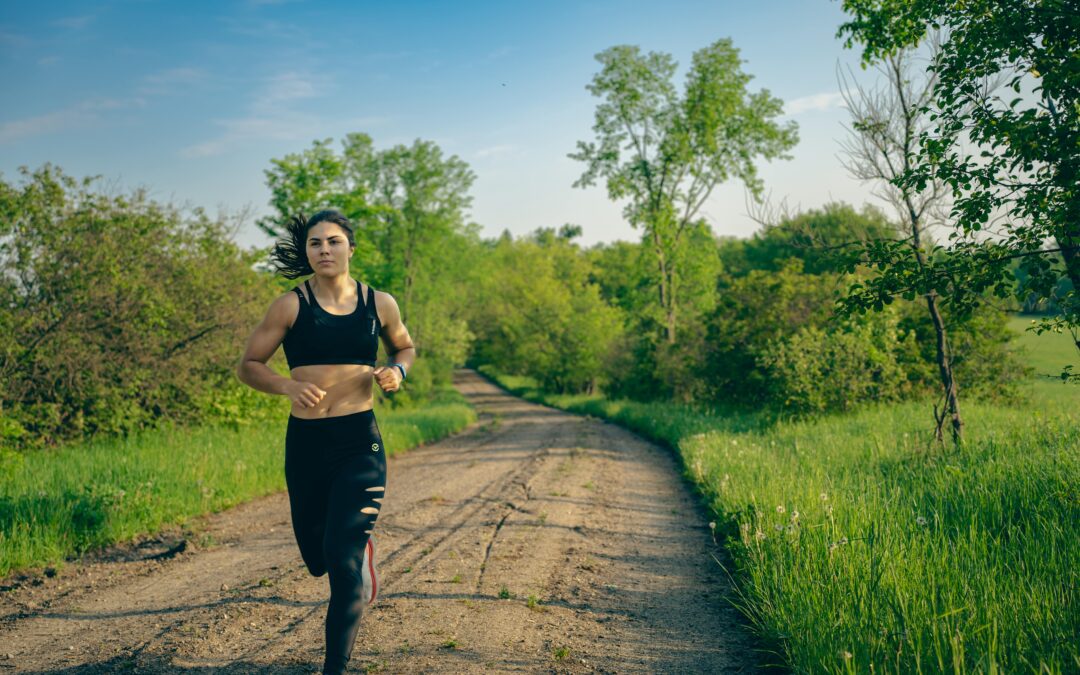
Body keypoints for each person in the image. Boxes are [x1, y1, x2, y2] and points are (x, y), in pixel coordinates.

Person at [235, 209, 415, 675]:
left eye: (333, 241)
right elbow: (249, 365)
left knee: (342, 559)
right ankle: (357, 553)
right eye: (315, 243)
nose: (324, 250)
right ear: (307, 251)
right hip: (307, 445)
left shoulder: (379, 303)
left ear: (350, 248)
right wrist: (287, 386)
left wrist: (397, 370)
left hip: (359, 443)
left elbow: (404, 346)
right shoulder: (289, 306)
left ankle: (334, 666)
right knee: (318, 558)